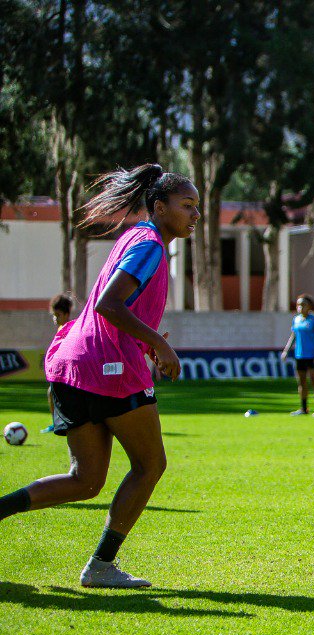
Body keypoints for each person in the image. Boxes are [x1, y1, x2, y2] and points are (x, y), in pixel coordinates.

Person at [0, 163, 192, 588]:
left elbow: (114, 312)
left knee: (85, 480)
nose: (195, 213)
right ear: (159, 207)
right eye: (187, 204)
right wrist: (159, 345)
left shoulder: (135, 237)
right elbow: (108, 304)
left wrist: (146, 342)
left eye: (198, 206)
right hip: (107, 368)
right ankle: (101, 566)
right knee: (150, 464)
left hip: (72, 362)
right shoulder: (151, 246)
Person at [281, 294, 314, 416]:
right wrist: (286, 350)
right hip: (299, 355)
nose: (300, 307)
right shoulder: (296, 319)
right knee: (301, 382)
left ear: (309, 306)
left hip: (311, 355)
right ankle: (304, 408)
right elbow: (293, 336)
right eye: (298, 305)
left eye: (303, 304)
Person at [40, 294, 75, 434]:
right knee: (51, 392)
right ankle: (56, 423)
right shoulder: (60, 329)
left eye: (58, 315)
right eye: (54, 315)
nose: (55, 319)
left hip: (70, 373)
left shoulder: (71, 329)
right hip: (61, 373)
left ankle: (65, 423)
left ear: (67, 314)